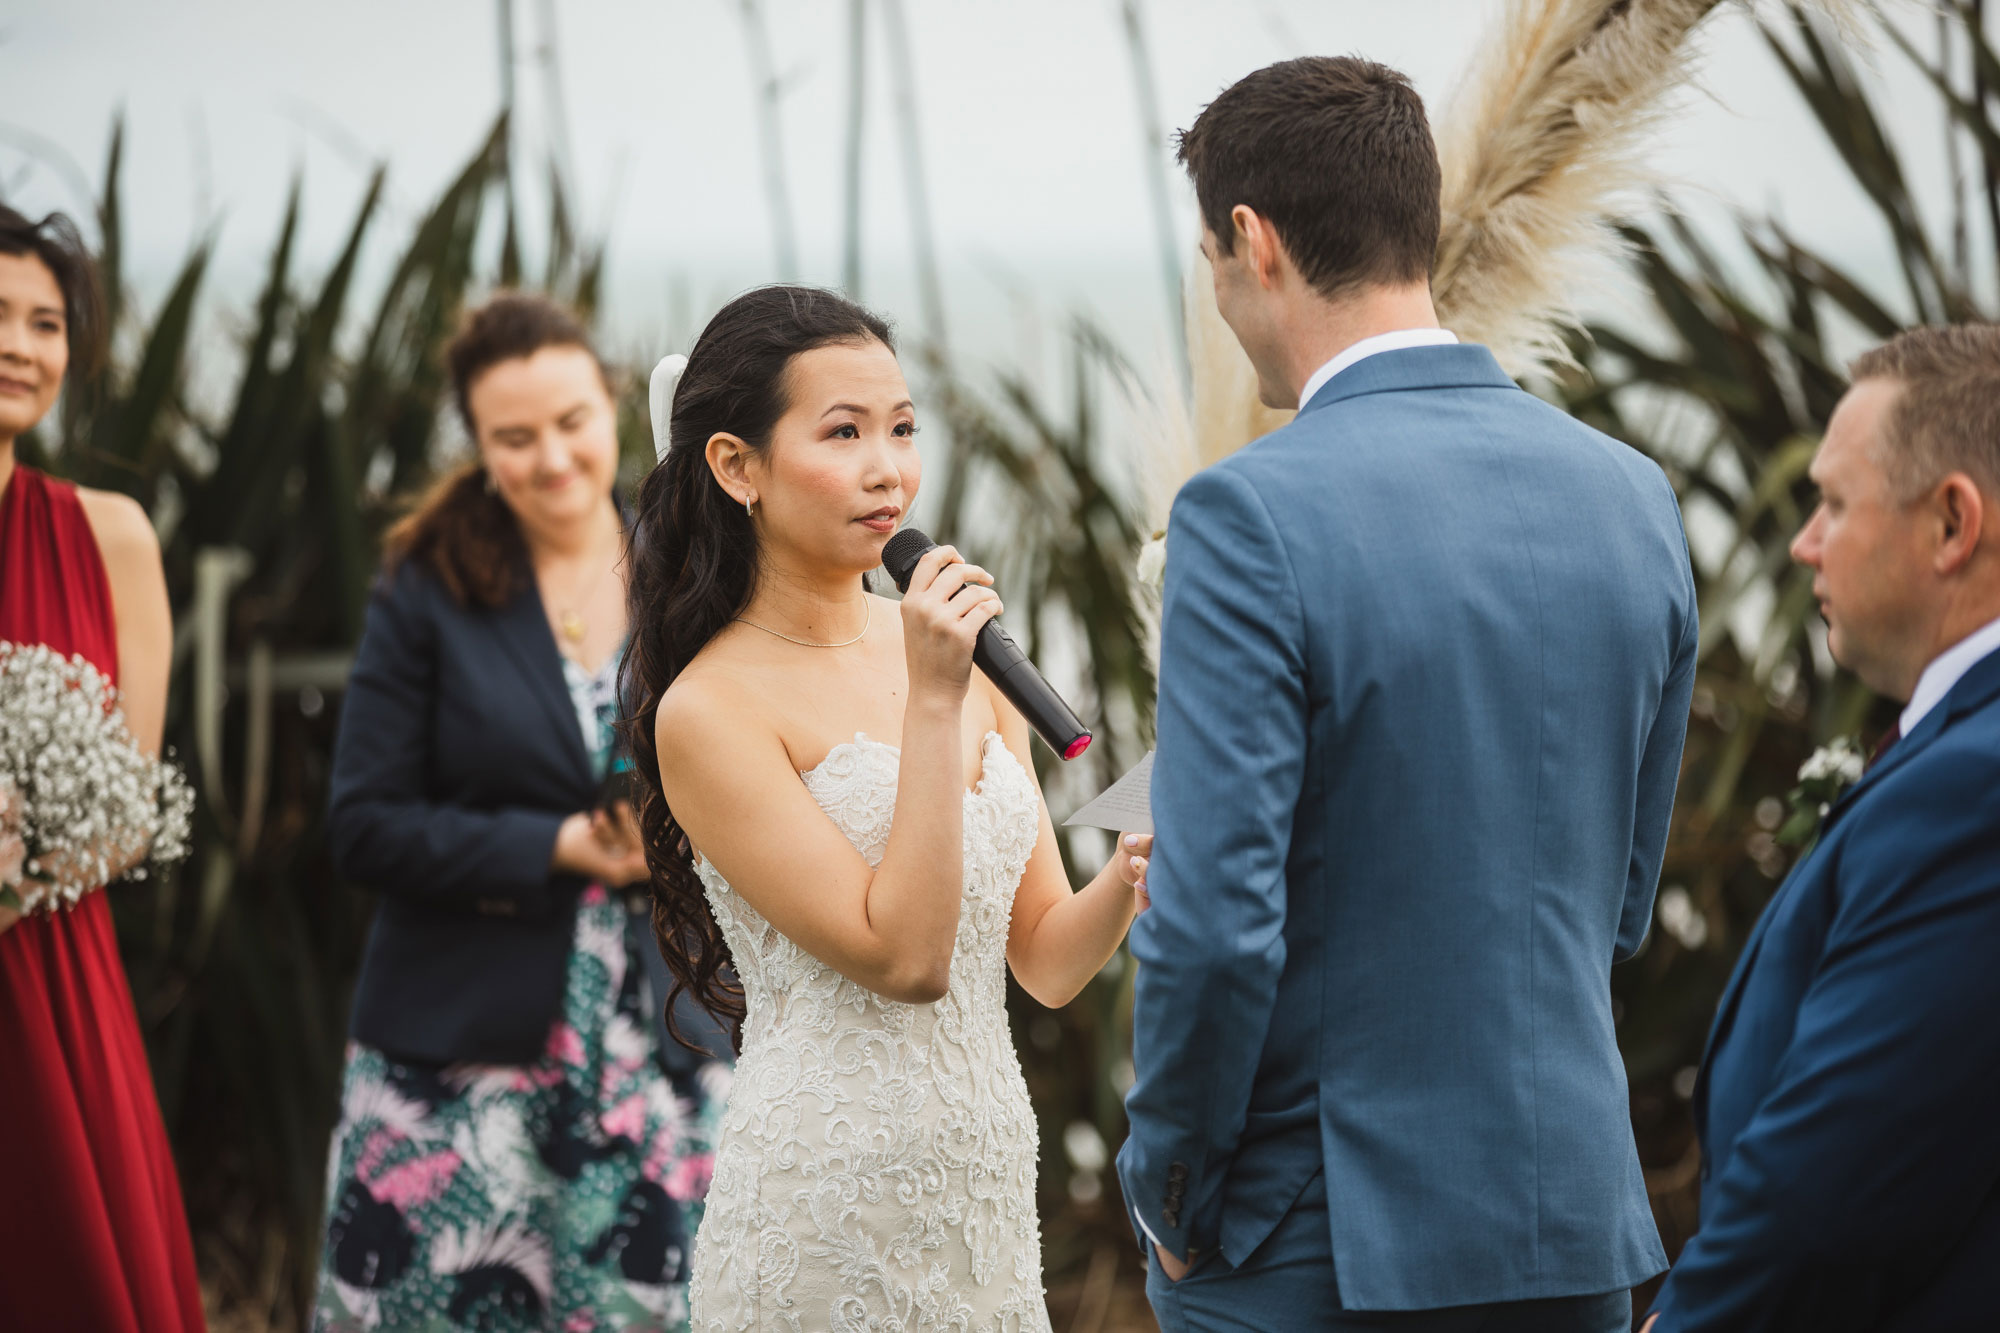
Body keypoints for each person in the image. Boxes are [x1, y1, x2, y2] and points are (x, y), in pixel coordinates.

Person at [1118, 57, 1696, 1331]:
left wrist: (1165, 1193)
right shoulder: (1628, 496)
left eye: (1209, 261)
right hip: (1569, 1234)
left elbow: (1213, 932)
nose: (1214, 297)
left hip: (1316, 1248)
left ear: (1251, 243)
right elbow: (1615, 902)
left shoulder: (1244, 514)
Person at [620, 284, 1151, 1331]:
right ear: (737, 467)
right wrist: (934, 695)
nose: (888, 468)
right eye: (844, 431)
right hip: (826, 1204)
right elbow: (904, 957)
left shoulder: (952, 652)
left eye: (903, 429)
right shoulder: (711, 708)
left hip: (986, 1203)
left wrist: (1132, 871)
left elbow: (1040, 959)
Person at [314, 294, 725, 1332]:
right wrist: (555, 846)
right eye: (515, 436)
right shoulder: (425, 586)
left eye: (573, 422)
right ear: (478, 444)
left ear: (612, 409)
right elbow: (362, 823)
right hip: (457, 1062)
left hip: (658, 1046)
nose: (552, 457)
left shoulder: (691, 573)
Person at [1643, 326, 2000, 1333]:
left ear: (1948, 523)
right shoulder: (1950, 750)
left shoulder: (1973, 791)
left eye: (1833, 503)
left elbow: (1831, 1191)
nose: (1803, 540)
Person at [0, 205, 204, 1331]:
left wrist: (12, 870)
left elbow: (127, 809)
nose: (23, 347)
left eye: (46, 321)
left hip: (49, 980)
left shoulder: (111, 533)